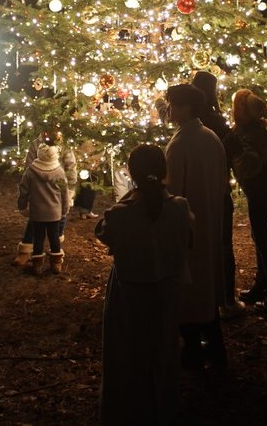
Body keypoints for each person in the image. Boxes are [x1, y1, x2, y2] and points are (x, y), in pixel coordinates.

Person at [97, 144, 194, 425]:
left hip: (130, 290)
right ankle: (163, 404)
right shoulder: (179, 207)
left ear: (133, 174)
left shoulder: (120, 214)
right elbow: (189, 239)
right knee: (163, 346)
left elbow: (105, 234)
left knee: (127, 348)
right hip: (168, 289)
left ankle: (128, 406)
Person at [164, 82, 228, 375]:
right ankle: (215, 349)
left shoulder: (180, 145)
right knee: (206, 287)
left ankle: (192, 352)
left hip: (189, 227)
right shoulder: (211, 138)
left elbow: (174, 193)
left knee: (188, 290)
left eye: (174, 105)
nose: (169, 110)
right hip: (210, 220)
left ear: (187, 108)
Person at [228, 89, 267, 316]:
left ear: (242, 110)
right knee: (258, 237)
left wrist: (234, 151)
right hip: (259, 189)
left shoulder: (248, 133)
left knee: (263, 241)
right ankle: (261, 286)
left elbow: (251, 162)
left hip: (258, 190)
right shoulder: (256, 129)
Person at [189, 70, 241, 318]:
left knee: (201, 244)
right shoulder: (217, 121)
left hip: (197, 191)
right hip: (219, 190)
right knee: (222, 244)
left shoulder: (192, 122)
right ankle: (226, 299)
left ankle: (206, 298)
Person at [13, 133, 78, 267]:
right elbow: (28, 168)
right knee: (37, 228)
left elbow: (71, 167)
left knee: (57, 226)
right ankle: (27, 249)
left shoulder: (64, 146)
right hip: (39, 194)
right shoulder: (36, 143)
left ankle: (55, 253)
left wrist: (69, 190)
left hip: (57, 194)